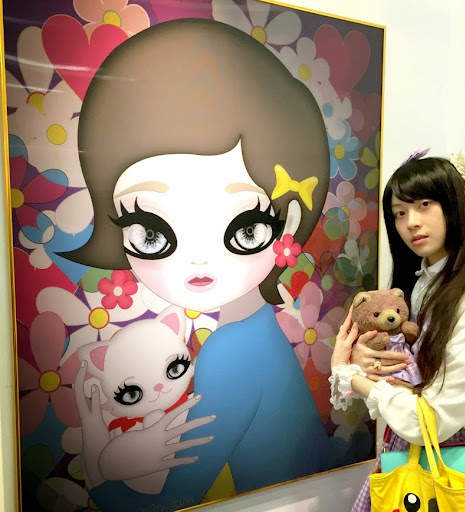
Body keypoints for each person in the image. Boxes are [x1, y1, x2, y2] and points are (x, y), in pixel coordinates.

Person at [67, 17, 350, 512]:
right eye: (152, 233)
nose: (198, 259)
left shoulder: (231, 351)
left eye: (245, 228)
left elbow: (172, 500)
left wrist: (99, 461)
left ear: (287, 223)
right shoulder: (256, 330)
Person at [330, 149, 465, 511]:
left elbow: (433, 419)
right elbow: (407, 363)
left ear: (464, 199)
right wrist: (369, 358)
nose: (411, 222)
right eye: (399, 213)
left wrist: (350, 375)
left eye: (424, 205)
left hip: (457, 459)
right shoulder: (419, 281)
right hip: (410, 450)